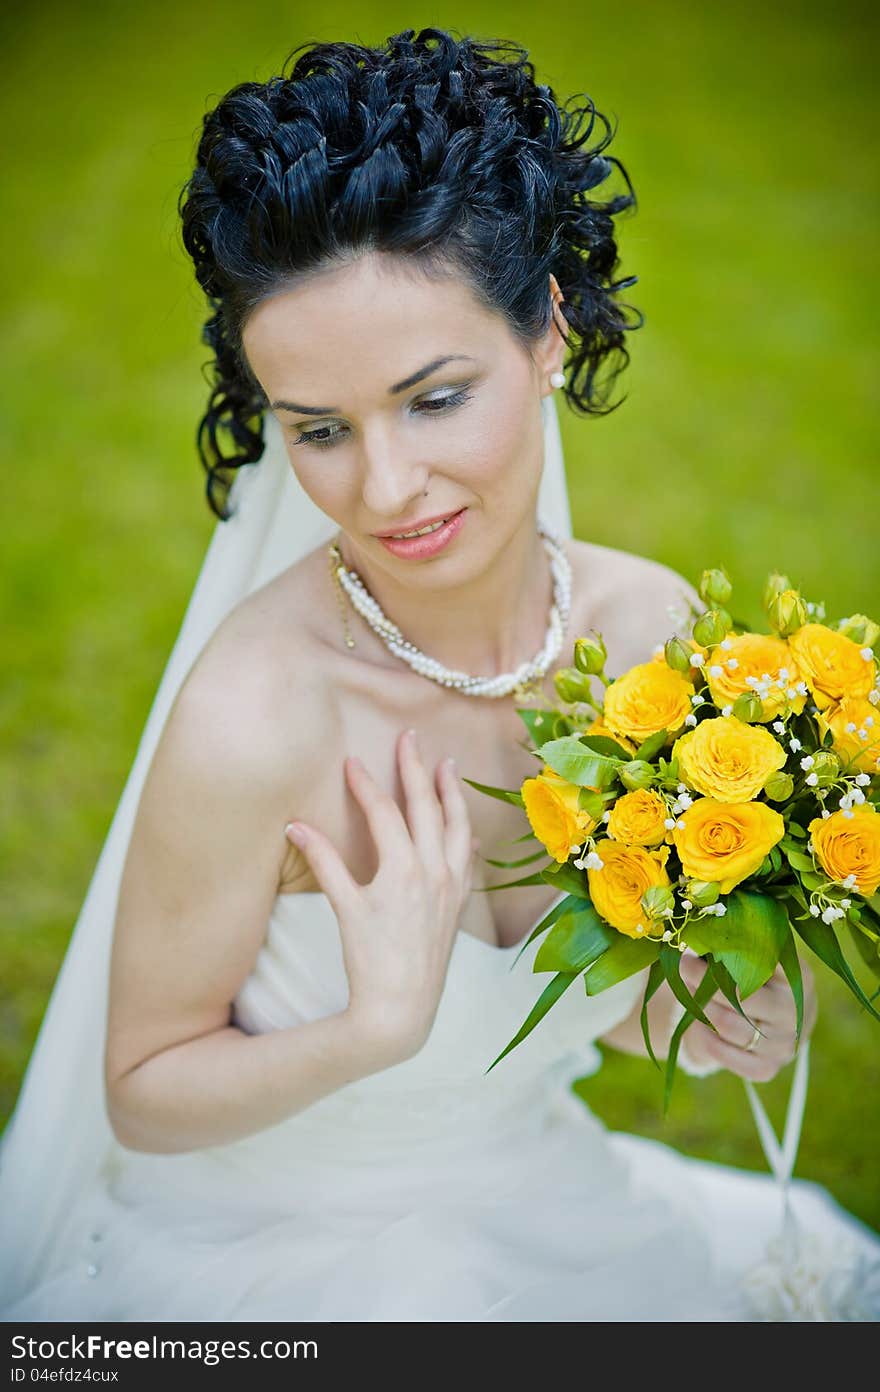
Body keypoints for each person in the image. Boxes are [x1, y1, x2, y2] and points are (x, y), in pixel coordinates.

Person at [1, 27, 878, 1324]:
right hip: (276, 1255)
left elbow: (606, 998)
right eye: (318, 429)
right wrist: (370, 1031)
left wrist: (710, 1022)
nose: (386, 487)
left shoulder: (652, 634)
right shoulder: (257, 718)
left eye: (433, 396)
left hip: (535, 1201)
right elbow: (141, 1085)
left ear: (546, 336)